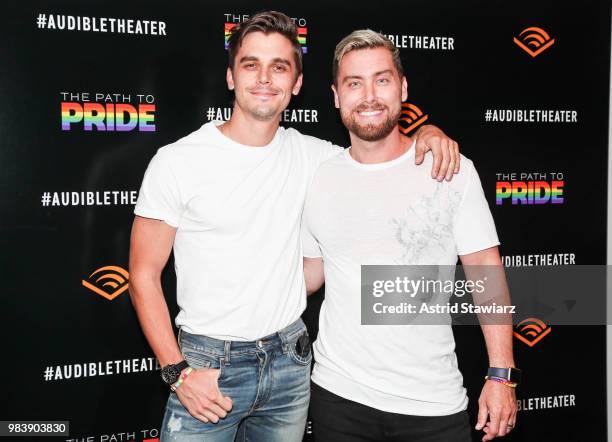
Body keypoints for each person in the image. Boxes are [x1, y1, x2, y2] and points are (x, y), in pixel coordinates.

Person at [129, 11, 460, 442]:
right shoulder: (177, 161)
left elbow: (378, 145)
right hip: (207, 366)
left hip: (290, 366)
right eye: (251, 65)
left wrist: (430, 133)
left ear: (296, 84)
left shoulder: (317, 158)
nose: (264, 78)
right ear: (231, 77)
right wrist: (177, 371)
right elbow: (142, 276)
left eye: (279, 67)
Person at [302, 30, 518, 442]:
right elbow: (312, 271)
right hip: (338, 398)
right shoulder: (319, 175)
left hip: (432, 403)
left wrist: (501, 374)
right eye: (354, 83)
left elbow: (485, 272)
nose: (369, 96)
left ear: (402, 88)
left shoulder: (449, 169)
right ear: (335, 95)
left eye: (381, 80)